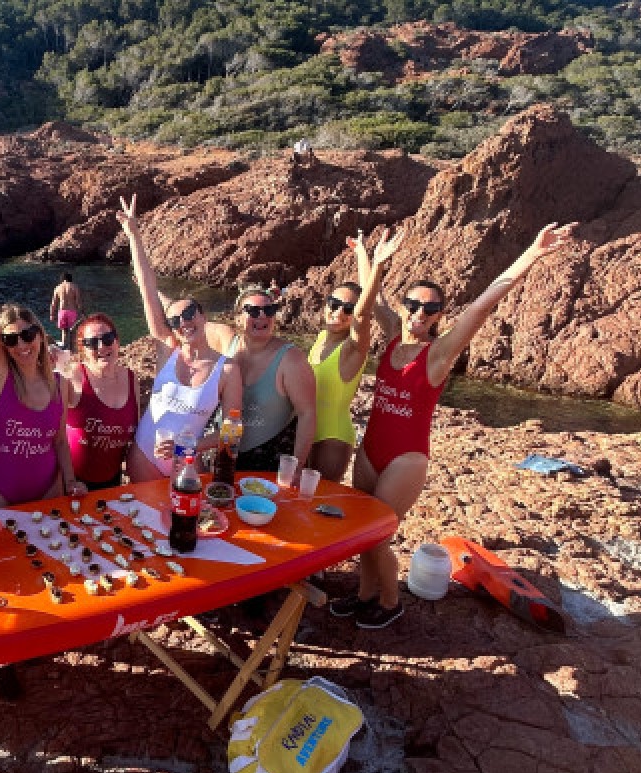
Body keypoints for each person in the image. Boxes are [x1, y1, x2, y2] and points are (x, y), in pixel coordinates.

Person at [332, 222, 577, 630]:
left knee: (377, 535)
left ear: (440, 316)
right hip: (370, 449)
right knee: (362, 531)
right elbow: (369, 299)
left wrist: (532, 254)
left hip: (404, 460)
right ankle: (364, 595)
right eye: (413, 304)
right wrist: (368, 257)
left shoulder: (439, 353)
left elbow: (481, 307)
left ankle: (390, 603)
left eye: (430, 309)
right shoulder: (393, 333)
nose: (419, 314)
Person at [0, 207, 83, 510]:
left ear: (41, 335)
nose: (22, 344)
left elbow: (59, 442)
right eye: (10, 339)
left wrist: (70, 482)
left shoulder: (59, 384)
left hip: (49, 491)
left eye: (28, 335)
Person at [118, 195, 243, 481]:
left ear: (202, 316)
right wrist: (134, 237)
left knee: (183, 521)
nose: (184, 322)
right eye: (175, 320)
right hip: (143, 455)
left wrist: (194, 446)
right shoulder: (167, 350)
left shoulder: (227, 369)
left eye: (189, 314)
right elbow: (148, 292)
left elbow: (233, 428)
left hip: (186, 461)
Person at [308, 228, 402, 482]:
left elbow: (364, 314)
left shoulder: (353, 347)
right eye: (334, 304)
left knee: (317, 505)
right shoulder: (320, 339)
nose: (338, 312)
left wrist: (378, 263)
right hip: (305, 431)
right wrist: (360, 251)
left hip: (332, 437)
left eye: (347, 308)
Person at [231, 287, 317, 474]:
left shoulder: (291, 360)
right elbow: (189, 324)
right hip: (225, 453)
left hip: (267, 461)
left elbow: (307, 414)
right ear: (237, 317)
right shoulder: (228, 344)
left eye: (269, 311)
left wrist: (297, 466)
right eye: (253, 311)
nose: (262, 316)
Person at [65, 313, 140, 490]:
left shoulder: (131, 378)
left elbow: (135, 434)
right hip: (74, 485)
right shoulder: (74, 378)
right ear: (83, 349)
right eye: (92, 343)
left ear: (117, 341)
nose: (101, 347)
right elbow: (54, 434)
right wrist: (69, 481)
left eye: (107, 338)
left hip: (114, 481)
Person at [49, 271, 82, 349]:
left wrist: (52, 314)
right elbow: (78, 301)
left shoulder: (57, 287)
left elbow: (53, 303)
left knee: (64, 331)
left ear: (62, 279)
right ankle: (72, 349)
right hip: (72, 311)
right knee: (73, 332)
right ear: (70, 279)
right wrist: (81, 312)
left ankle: (64, 347)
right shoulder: (74, 286)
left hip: (62, 312)